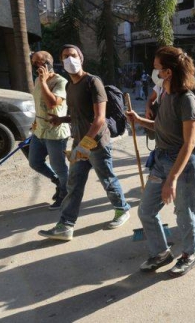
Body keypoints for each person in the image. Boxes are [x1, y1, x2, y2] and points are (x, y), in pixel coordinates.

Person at [38, 44, 130, 241]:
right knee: (74, 185)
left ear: (81, 58)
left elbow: (99, 119)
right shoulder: (71, 86)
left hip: (97, 143)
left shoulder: (93, 82)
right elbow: (77, 115)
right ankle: (66, 225)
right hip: (80, 143)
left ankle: (122, 209)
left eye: (73, 55)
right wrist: (61, 120)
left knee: (107, 180)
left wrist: (83, 145)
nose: (69, 59)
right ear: (61, 62)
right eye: (65, 56)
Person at [126, 46, 195, 277]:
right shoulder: (165, 94)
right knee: (146, 210)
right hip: (160, 159)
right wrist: (139, 120)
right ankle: (161, 252)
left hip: (182, 163)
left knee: (184, 213)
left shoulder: (186, 99)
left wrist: (172, 179)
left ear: (168, 72)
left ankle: (189, 255)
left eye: (157, 68)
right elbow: (161, 127)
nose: (154, 71)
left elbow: (189, 144)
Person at [29, 51, 71, 210]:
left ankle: (65, 194)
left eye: (38, 63)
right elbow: (39, 104)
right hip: (39, 130)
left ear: (47, 64)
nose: (35, 66)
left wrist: (44, 82)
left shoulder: (61, 82)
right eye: (33, 63)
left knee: (59, 167)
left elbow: (53, 103)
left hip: (55, 132)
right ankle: (58, 182)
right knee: (34, 162)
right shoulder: (37, 80)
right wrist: (34, 121)